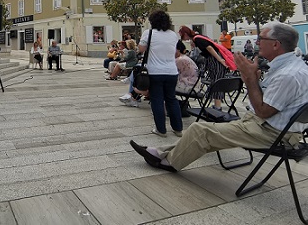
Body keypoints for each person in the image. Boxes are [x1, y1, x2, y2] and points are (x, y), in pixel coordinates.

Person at [130, 21, 308, 173]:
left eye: (261, 38)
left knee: (200, 130)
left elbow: (263, 111)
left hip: (271, 132)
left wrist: (250, 79)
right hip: (268, 126)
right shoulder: (291, 66)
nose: (257, 42)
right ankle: (160, 152)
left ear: (276, 44)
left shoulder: (288, 75)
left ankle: (169, 162)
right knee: (204, 132)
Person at [138, 10, 183, 137]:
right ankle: (178, 129)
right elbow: (174, 52)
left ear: (152, 21)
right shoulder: (173, 35)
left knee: (157, 99)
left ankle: (161, 130)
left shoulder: (149, 33)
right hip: (171, 71)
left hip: (155, 71)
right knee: (171, 99)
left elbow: (141, 49)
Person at [179, 26, 230, 110]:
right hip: (212, 60)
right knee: (216, 82)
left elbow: (209, 48)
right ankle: (217, 105)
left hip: (214, 60)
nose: (184, 39)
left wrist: (220, 60)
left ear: (185, 34)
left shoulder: (197, 39)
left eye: (183, 37)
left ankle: (217, 107)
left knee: (216, 82)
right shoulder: (199, 37)